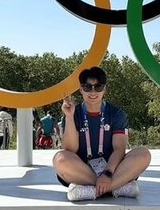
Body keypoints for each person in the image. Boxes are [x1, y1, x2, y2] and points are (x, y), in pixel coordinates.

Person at [53, 66, 150, 202]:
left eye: (98, 87)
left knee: (143, 154)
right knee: (60, 159)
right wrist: (69, 117)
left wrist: (107, 173)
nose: (93, 92)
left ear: (104, 89)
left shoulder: (116, 114)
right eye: (87, 87)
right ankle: (116, 188)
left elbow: (119, 149)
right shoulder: (72, 113)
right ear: (80, 89)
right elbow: (70, 149)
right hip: (82, 172)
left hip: (113, 170)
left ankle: (92, 190)